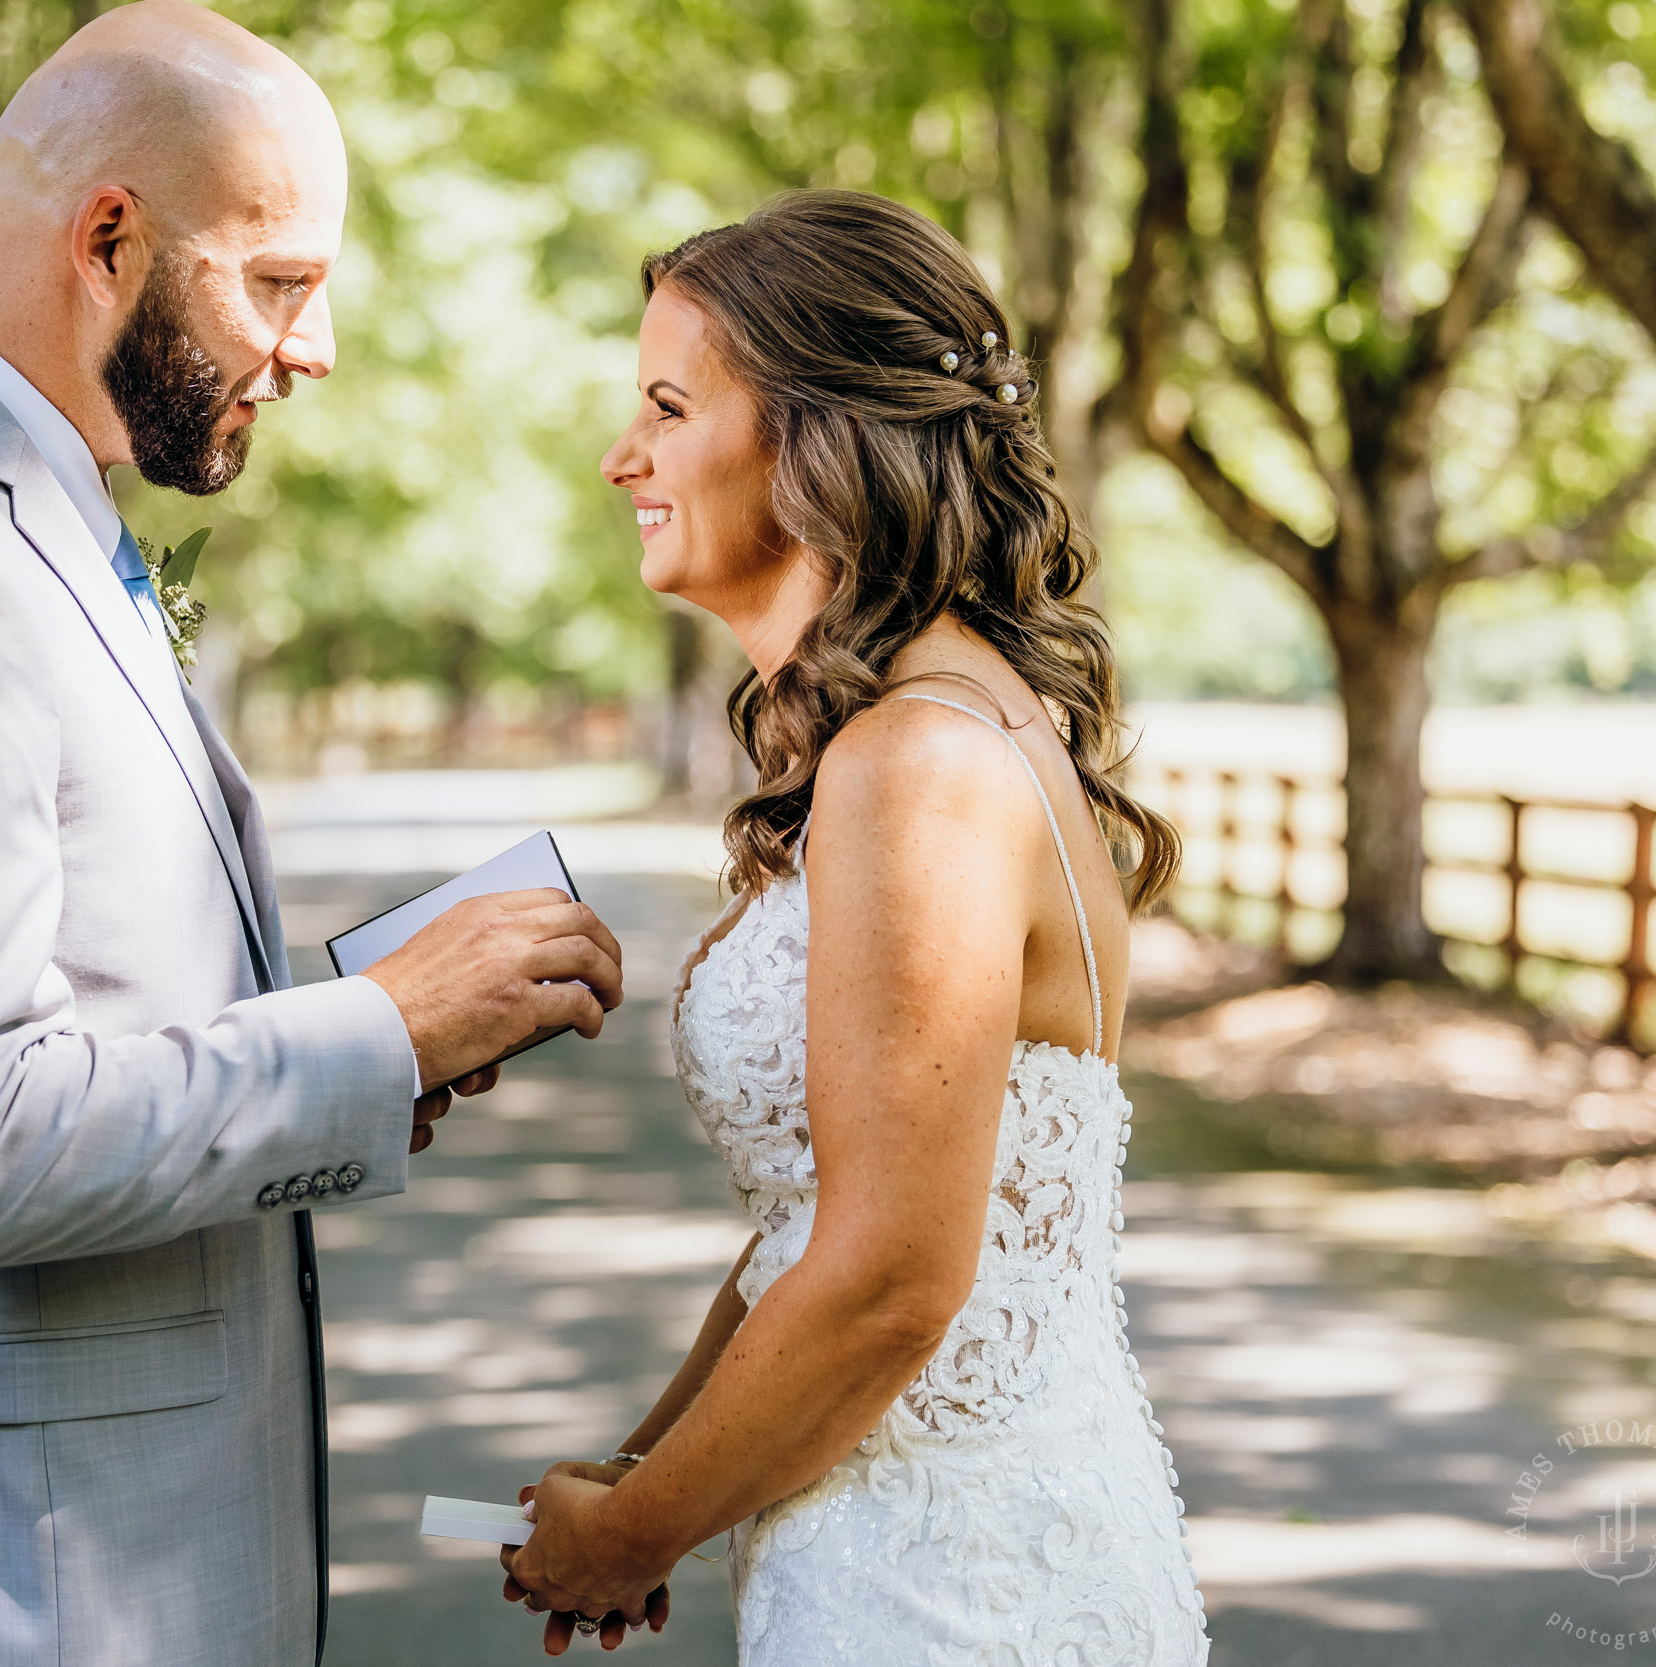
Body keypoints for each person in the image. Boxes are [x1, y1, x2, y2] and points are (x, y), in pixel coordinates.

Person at [0, 6, 623, 1664]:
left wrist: (394, 1047)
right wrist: (369, 1033)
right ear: (109, 238)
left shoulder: (16, 522)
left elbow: (66, 1007)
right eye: (283, 282)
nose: (312, 352)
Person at [499, 190, 1207, 1663]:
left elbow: (892, 1279)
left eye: (670, 407)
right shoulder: (923, 732)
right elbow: (810, 1232)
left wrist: (635, 1535)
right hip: (914, 1539)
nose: (622, 457)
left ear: (817, 436)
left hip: (948, 1584)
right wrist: (649, 1472)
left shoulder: (923, 765)